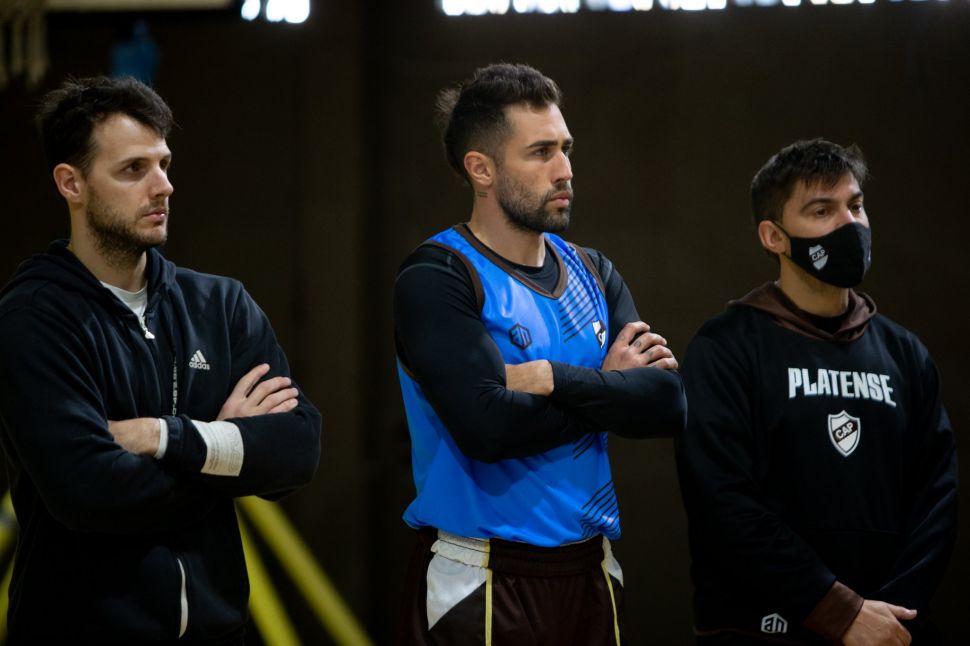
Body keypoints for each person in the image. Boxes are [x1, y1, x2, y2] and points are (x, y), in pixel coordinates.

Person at [0, 76, 322, 644]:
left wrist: (164, 437)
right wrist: (228, 449)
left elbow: (296, 451)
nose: (164, 186)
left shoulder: (221, 304)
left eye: (164, 164)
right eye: (134, 169)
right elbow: (88, 492)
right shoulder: (33, 317)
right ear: (71, 183)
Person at [393, 62, 687, 645]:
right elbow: (488, 429)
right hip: (482, 573)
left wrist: (553, 377)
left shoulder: (593, 270)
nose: (565, 170)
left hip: (593, 567)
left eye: (566, 149)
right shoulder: (438, 275)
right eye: (541, 152)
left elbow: (666, 404)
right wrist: (609, 386)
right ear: (482, 169)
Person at [675, 139, 957, 645]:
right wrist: (839, 612)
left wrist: (892, 614)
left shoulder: (905, 353)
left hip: (890, 630)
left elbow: (937, 497)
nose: (849, 224)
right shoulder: (725, 348)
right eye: (822, 210)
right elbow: (723, 503)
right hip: (762, 630)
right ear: (774, 236)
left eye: (856, 205)